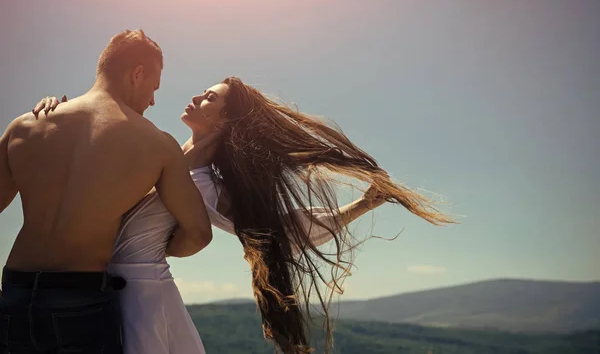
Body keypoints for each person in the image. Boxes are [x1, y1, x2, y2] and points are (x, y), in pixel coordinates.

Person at [34, 77, 455, 354]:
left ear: (226, 120)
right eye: (203, 92)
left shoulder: (203, 183)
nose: (196, 97)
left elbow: (283, 233)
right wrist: (62, 114)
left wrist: (362, 205)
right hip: (115, 290)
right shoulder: (168, 155)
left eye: (209, 98)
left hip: (141, 298)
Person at [0, 30, 213, 354]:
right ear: (137, 73)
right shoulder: (157, 145)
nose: (153, 100)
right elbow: (199, 234)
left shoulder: (25, 126)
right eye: (153, 88)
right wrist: (151, 253)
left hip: (14, 292)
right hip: (81, 300)